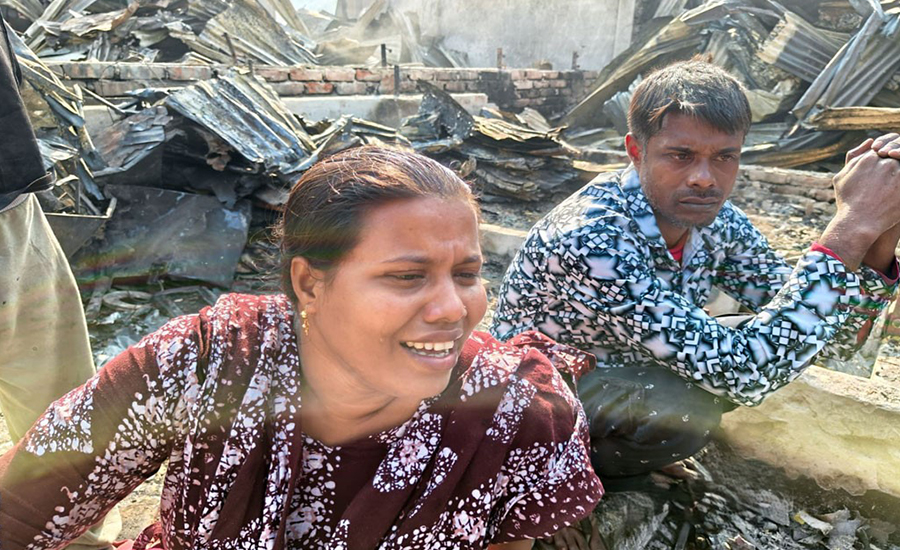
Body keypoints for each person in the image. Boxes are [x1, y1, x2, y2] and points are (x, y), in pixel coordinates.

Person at [0, 146, 604, 549]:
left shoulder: (512, 413)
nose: (454, 308)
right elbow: (21, 508)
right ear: (309, 283)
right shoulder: (206, 363)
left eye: (467, 274)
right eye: (406, 276)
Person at [491, 59, 900, 536]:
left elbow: (830, 343)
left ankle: (616, 461)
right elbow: (745, 374)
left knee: (745, 344)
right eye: (681, 155)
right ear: (635, 151)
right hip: (526, 412)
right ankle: (575, 481)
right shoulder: (592, 237)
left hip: (614, 375)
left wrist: (878, 230)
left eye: (724, 157)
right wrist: (847, 228)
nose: (705, 178)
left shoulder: (718, 222)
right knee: (688, 403)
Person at [0, 15, 121, 549]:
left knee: (55, 397)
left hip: (7, 205)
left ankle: (71, 528)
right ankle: (74, 530)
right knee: (52, 392)